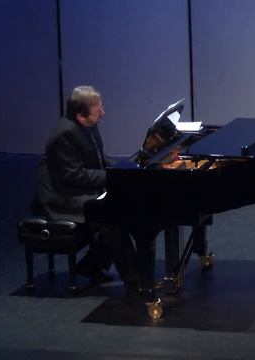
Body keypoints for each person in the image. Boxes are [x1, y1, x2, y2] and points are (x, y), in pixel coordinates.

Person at [31, 85, 158, 302]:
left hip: (76, 190)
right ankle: (134, 280)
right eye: (98, 111)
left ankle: (91, 266)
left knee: (120, 210)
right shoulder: (65, 134)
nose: (103, 113)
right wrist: (113, 178)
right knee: (111, 220)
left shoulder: (88, 125)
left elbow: (100, 158)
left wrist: (123, 168)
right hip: (62, 198)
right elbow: (74, 176)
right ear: (80, 115)